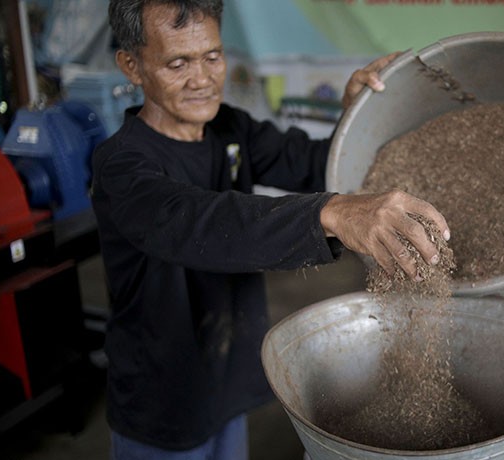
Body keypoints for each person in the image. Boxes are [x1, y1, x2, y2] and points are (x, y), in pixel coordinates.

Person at [91, 0, 450, 458]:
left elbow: (315, 163)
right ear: (132, 65)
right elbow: (199, 222)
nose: (202, 79)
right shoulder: (122, 165)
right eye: (178, 64)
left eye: (213, 57)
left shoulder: (231, 129)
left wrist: (360, 114)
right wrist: (332, 213)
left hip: (227, 383)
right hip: (161, 396)